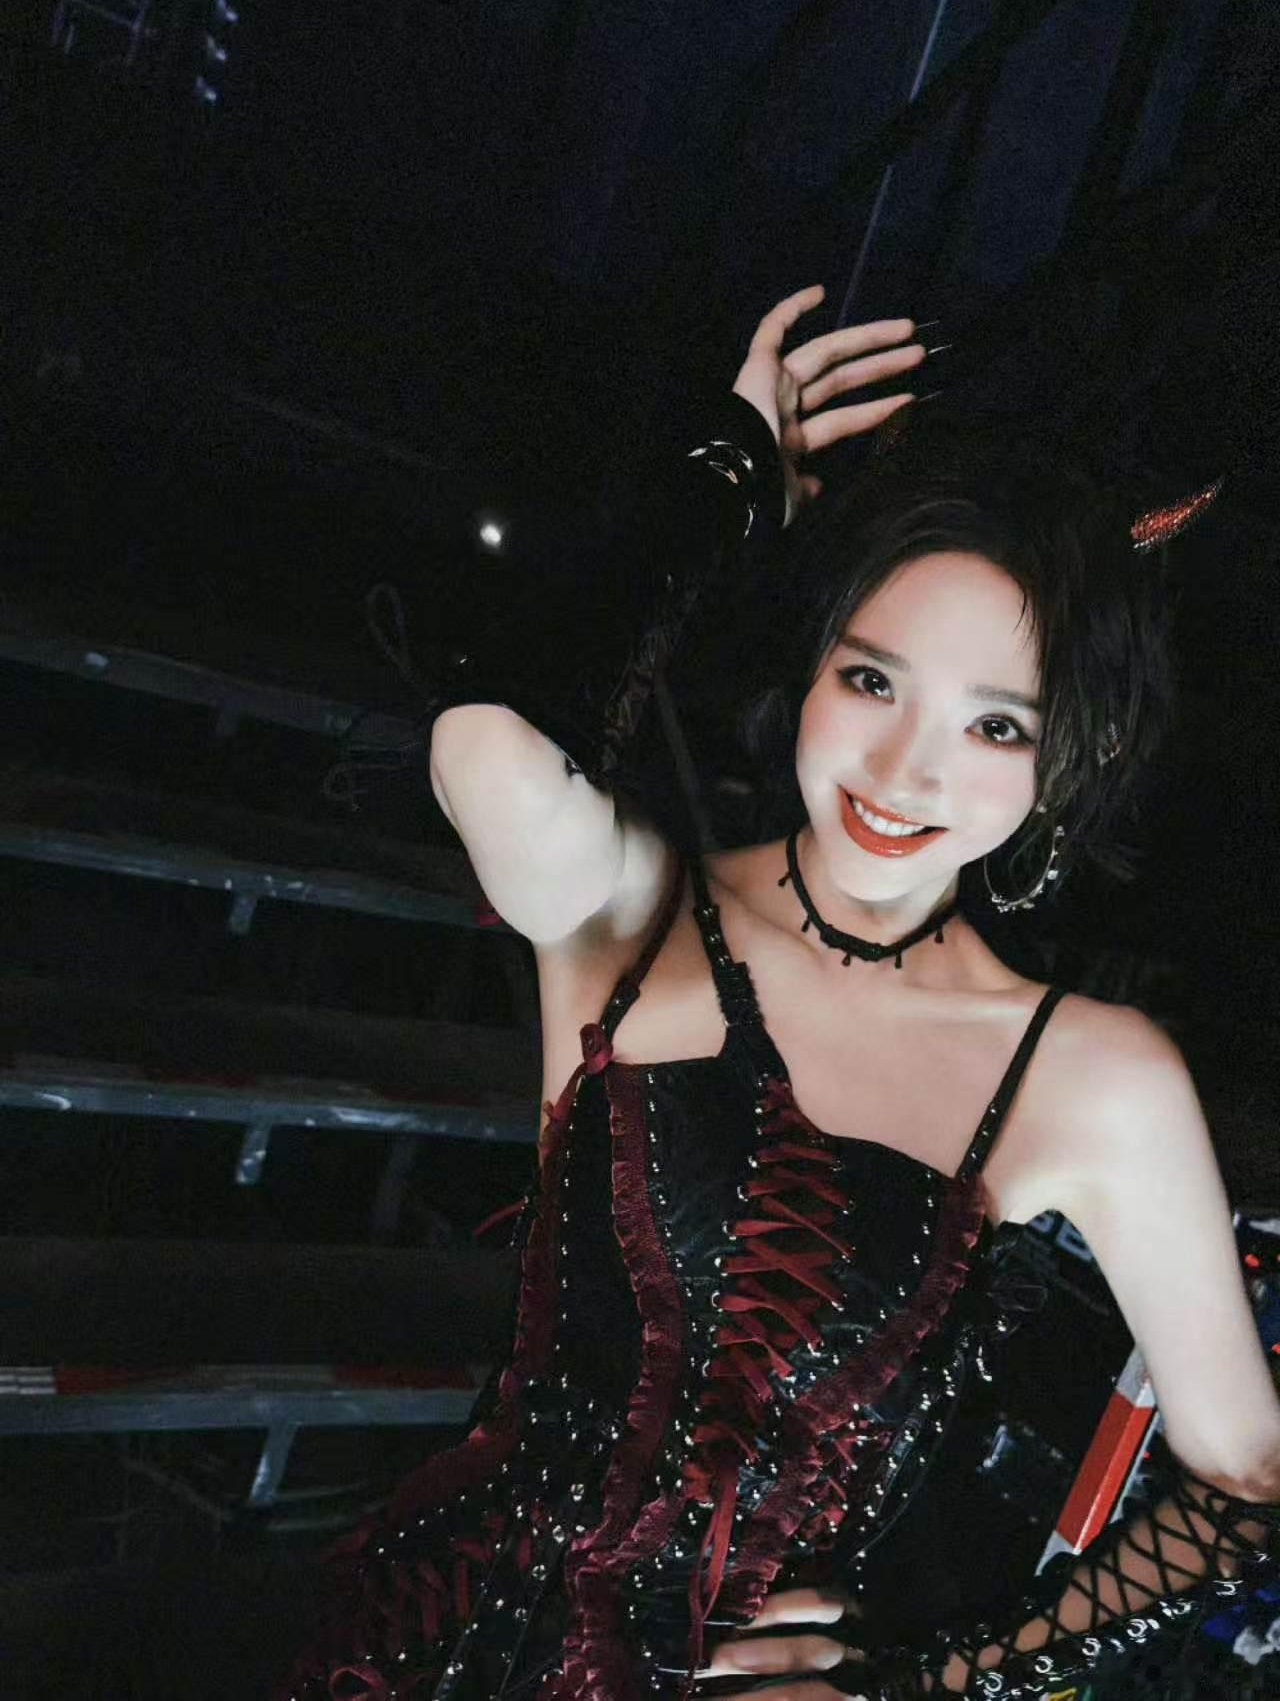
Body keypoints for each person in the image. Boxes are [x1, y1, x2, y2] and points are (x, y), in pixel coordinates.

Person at [275, 288, 1280, 1700]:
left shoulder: (1091, 1075)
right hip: (419, 1639)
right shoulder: (633, 905)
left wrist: (932, 1679)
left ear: (1067, 762)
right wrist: (731, 472)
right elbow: (490, 749)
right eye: (872, 680)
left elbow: (1249, 1480)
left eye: (997, 725)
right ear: (810, 670)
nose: (908, 770)